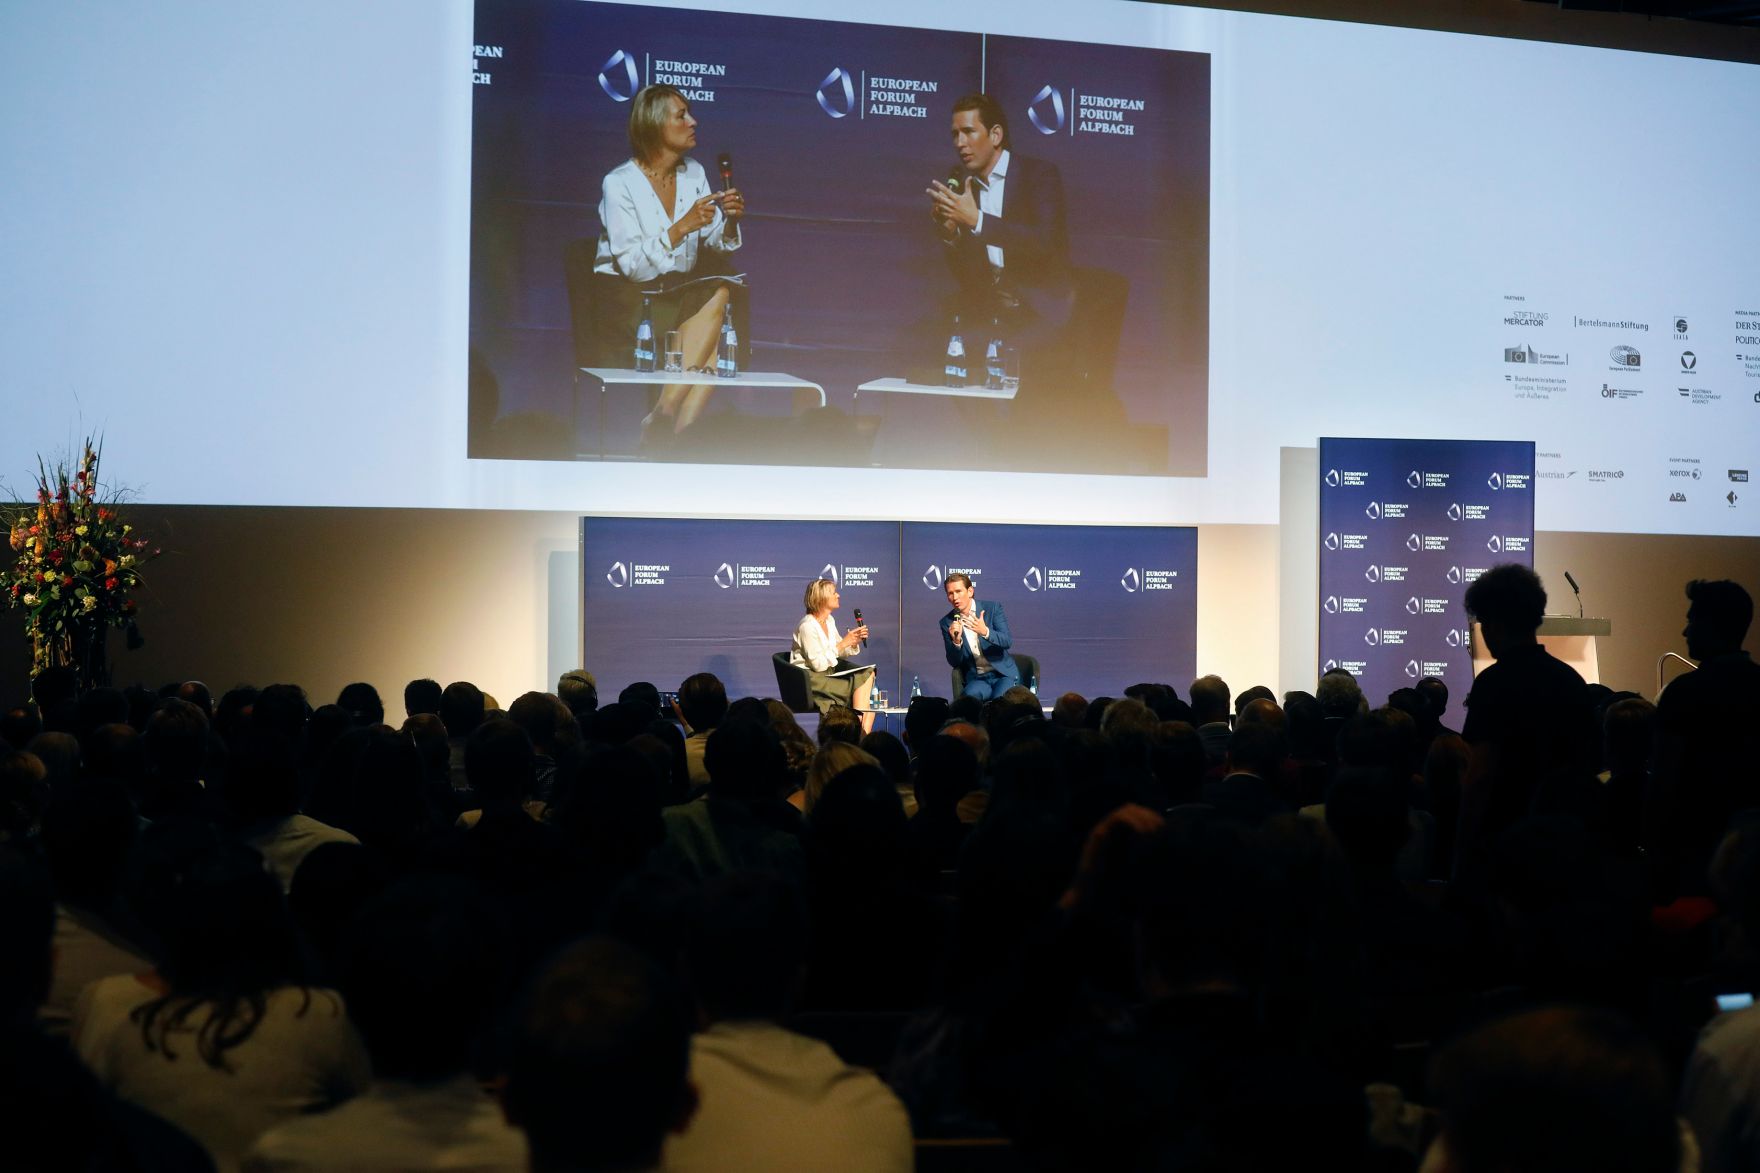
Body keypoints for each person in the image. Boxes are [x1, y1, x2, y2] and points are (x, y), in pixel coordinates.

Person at [594, 83, 747, 438]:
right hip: (629, 297)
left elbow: (715, 241)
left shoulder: (693, 173)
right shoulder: (619, 183)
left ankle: (668, 422)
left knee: (723, 293)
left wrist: (730, 220)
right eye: (681, 116)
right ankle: (675, 431)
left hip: (675, 290)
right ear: (654, 125)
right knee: (710, 330)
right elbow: (633, 267)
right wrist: (680, 228)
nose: (693, 122)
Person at [925, 93, 1073, 359]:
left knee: (1017, 361)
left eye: (968, 132)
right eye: (955, 134)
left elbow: (1046, 244)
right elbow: (968, 276)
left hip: (1040, 311)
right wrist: (952, 234)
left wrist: (977, 220)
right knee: (942, 352)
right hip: (988, 313)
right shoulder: (965, 187)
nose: (960, 143)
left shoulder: (1038, 175)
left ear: (995, 135)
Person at [789, 578, 875, 733]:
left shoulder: (829, 621)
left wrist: (852, 642)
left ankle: (859, 734)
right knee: (863, 696)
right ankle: (857, 735)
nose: (838, 595)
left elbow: (837, 653)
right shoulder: (807, 626)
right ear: (821, 598)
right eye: (834, 593)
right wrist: (843, 643)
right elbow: (818, 664)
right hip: (811, 679)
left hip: (827, 674)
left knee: (868, 676)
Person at [940, 572, 1018, 701]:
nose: (955, 597)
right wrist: (956, 641)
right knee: (969, 700)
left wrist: (985, 631)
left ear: (970, 591)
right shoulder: (947, 622)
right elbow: (954, 662)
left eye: (958, 591)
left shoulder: (992, 609)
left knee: (1000, 703)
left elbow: (1007, 641)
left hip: (1002, 674)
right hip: (977, 679)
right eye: (950, 593)